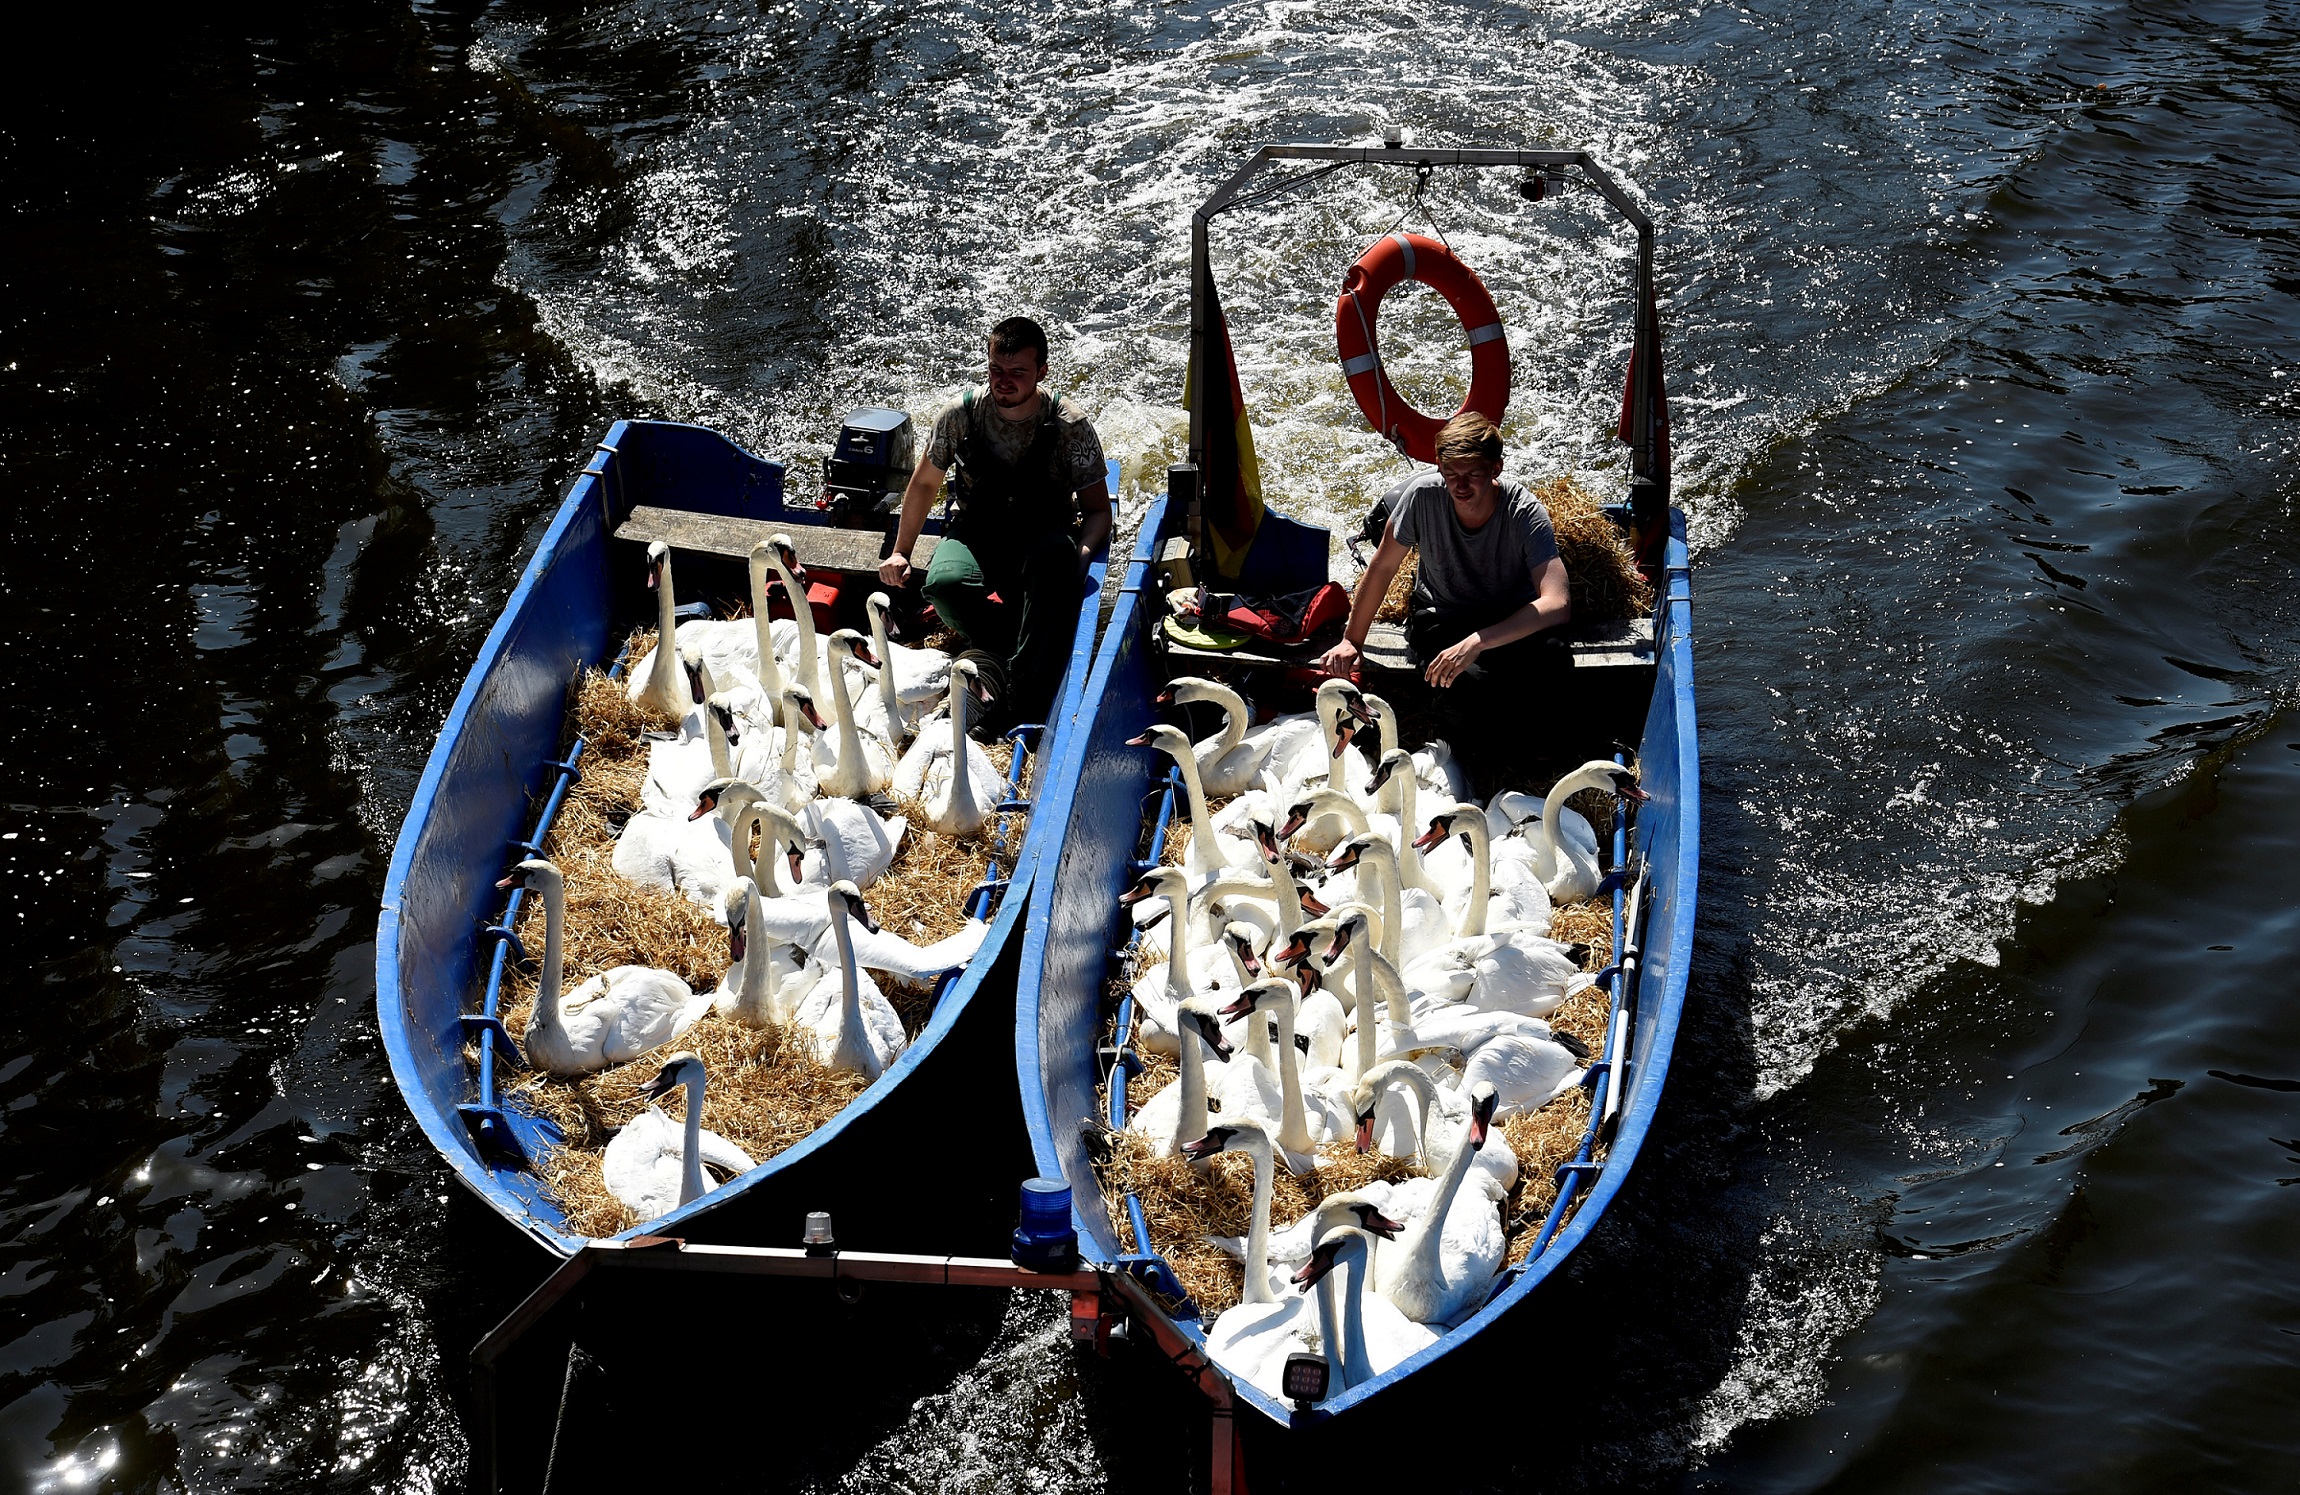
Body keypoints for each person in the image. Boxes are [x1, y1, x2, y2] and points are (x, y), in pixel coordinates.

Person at [1318, 411, 1571, 790]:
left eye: (1472, 474)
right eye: (1451, 473)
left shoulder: (1523, 511)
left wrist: (1478, 641)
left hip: (1506, 618)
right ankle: (1476, 756)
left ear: (1496, 468)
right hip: (1443, 616)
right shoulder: (1422, 497)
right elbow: (1382, 568)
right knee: (1463, 685)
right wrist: (1352, 640)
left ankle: (1536, 759)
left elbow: (1558, 602)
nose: (1460, 485)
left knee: (1553, 660)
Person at [880, 316, 1111, 731]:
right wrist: (901, 551)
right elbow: (924, 484)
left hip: (1042, 533)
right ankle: (1012, 644)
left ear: (1041, 372)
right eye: (996, 370)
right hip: (978, 529)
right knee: (944, 585)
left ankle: (1024, 691)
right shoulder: (961, 416)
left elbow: (1097, 510)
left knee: (1056, 562)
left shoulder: (1069, 425)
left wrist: (1084, 555)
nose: (1004, 382)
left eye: (1018, 373)